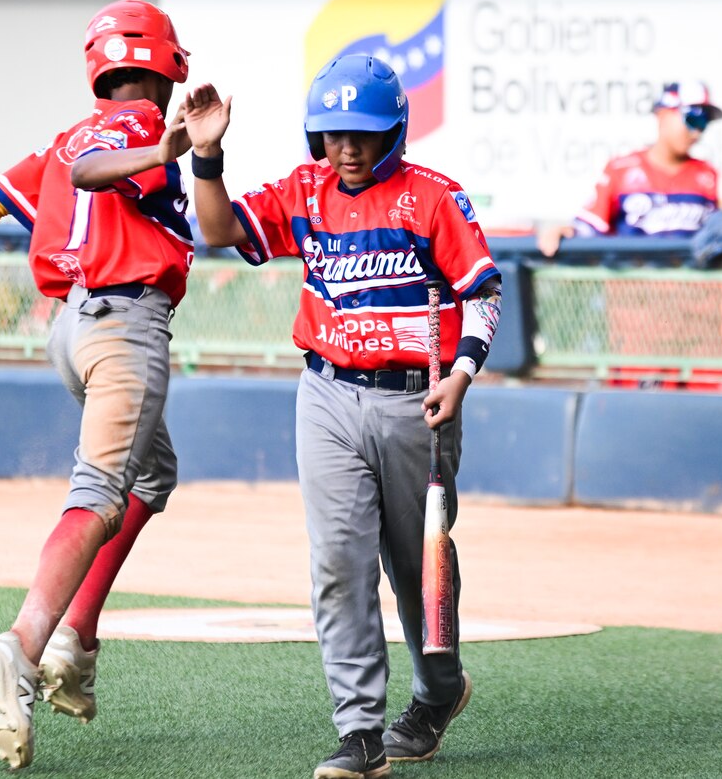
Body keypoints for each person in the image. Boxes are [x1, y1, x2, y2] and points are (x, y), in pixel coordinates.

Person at [183, 54, 503, 779]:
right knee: (338, 562)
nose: (347, 149)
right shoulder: (306, 190)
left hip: (415, 402)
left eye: (362, 134)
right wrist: (207, 154)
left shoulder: (433, 198)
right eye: (331, 134)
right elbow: (218, 229)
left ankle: (440, 689)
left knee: (416, 565)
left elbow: (483, 293)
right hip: (325, 394)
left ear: (394, 129)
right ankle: (358, 731)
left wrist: (461, 375)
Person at [0, 0, 193, 770]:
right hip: (124, 323)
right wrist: (166, 149)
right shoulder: (147, 127)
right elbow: (106, 169)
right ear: (167, 68)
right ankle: (24, 643)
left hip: (68, 329)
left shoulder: (61, 139)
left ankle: (76, 640)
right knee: (100, 491)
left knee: (152, 474)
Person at [537, 80, 722, 256]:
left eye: (704, 123)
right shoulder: (621, 169)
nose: (697, 132)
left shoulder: (707, 174)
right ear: (663, 115)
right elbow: (590, 228)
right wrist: (565, 231)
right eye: (692, 119)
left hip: (689, 289)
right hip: (633, 288)